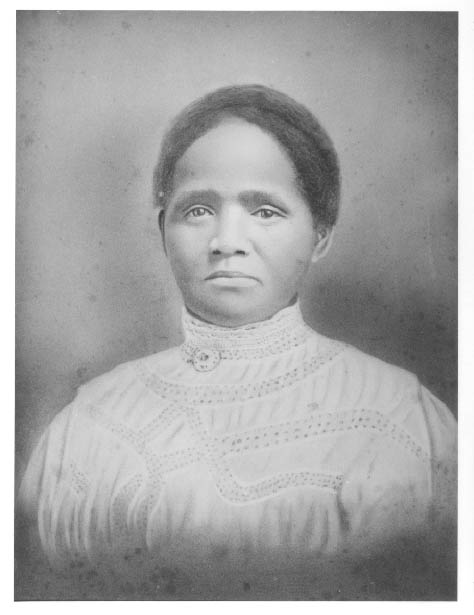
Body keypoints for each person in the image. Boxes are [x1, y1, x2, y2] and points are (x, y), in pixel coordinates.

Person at [17, 84, 456, 600]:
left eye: (265, 211)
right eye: (198, 210)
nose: (226, 241)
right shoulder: (89, 424)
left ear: (320, 235)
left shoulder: (397, 415)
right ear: (163, 229)